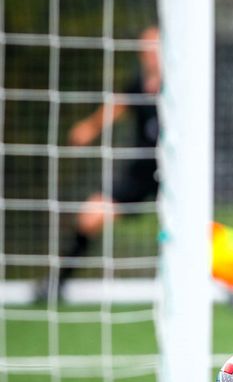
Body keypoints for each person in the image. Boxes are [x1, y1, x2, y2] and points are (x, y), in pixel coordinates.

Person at [35, 27, 161, 303]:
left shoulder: (182, 88)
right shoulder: (138, 85)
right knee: (90, 215)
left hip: (176, 178)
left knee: (201, 231)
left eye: (155, 47)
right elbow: (117, 105)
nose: (150, 54)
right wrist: (89, 128)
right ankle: (57, 283)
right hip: (141, 174)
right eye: (146, 48)